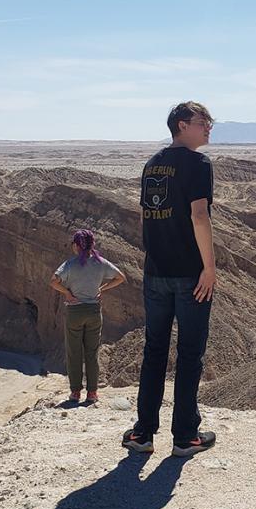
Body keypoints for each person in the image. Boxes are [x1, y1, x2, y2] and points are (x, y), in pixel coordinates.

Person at [123, 101, 217, 457]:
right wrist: (209, 267)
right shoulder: (198, 163)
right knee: (190, 355)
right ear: (182, 125)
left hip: (155, 272)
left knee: (154, 352)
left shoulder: (152, 164)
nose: (209, 127)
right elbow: (198, 216)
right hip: (189, 274)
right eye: (203, 121)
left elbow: (148, 216)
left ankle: (143, 433)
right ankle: (185, 437)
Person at [50, 229, 125, 404]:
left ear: (76, 246)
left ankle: (75, 392)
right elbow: (121, 277)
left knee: (74, 352)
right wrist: (102, 288)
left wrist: (67, 293)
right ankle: (92, 393)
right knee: (92, 353)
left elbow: (53, 281)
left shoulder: (70, 264)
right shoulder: (101, 263)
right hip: (93, 312)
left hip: (75, 312)